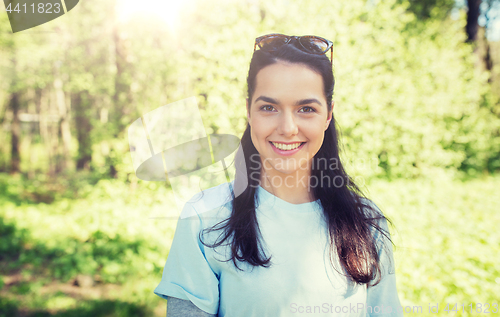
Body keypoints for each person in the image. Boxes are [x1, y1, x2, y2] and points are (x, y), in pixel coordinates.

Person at [154, 34, 403, 317]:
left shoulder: (366, 222)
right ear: (249, 111)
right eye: (269, 107)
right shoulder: (203, 216)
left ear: (328, 114)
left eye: (306, 109)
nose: (287, 128)